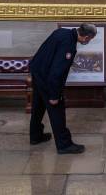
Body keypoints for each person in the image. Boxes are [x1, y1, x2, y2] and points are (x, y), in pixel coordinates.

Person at [29, 24, 97, 154]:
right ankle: (64, 145)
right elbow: (57, 72)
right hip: (47, 77)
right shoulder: (69, 45)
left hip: (37, 71)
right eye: (90, 39)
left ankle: (35, 135)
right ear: (86, 37)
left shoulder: (62, 32)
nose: (88, 42)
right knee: (57, 110)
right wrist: (54, 95)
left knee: (38, 107)